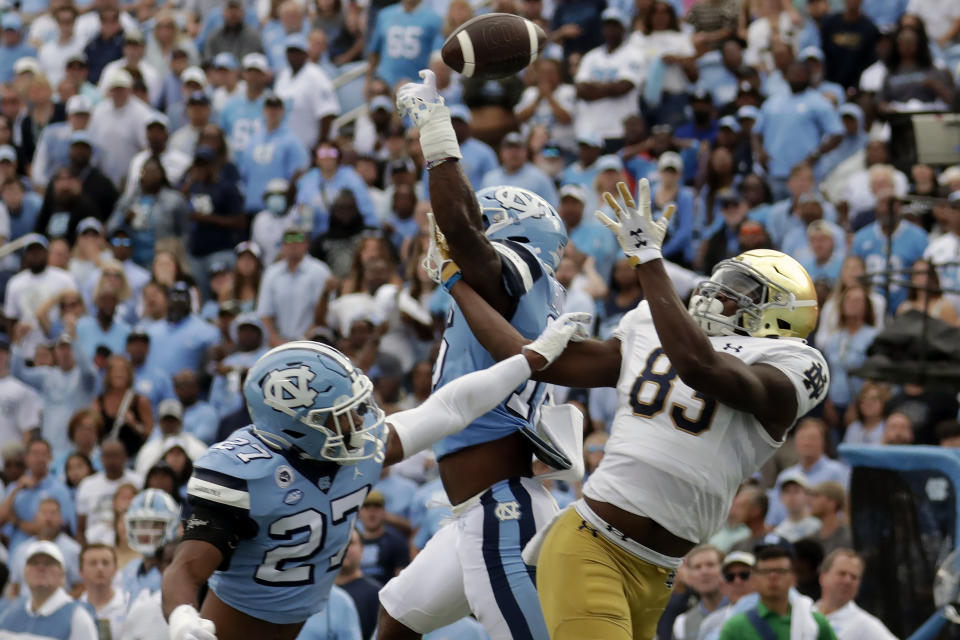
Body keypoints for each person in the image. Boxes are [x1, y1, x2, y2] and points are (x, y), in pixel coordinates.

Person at [434, 174, 829, 639]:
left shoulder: (794, 361)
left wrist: (649, 259)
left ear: (781, 312)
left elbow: (702, 369)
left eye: (740, 288)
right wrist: (455, 281)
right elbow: (532, 361)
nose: (717, 293)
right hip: (593, 546)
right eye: (722, 282)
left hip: (658, 572)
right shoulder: (655, 321)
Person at [161, 319, 586, 640]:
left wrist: (528, 361)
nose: (361, 421)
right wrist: (181, 617)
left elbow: (449, 409)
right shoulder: (242, 472)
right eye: (342, 415)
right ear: (297, 426)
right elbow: (186, 569)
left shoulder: (354, 450)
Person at [381, 70, 575, 640]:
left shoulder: (514, 270)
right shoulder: (537, 294)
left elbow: (463, 228)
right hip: (479, 508)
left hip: (501, 510)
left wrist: (435, 131)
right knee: (396, 617)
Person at [719, 546, 836, 639]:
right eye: (766, 571)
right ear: (754, 579)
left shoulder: (814, 622)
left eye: (780, 571)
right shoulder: (735, 628)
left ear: (794, 578)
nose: (773, 577)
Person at [574, 8, 645, 152]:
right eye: (607, 25)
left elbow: (622, 88)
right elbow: (581, 90)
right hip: (592, 130)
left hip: (620, 129)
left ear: (623, 27)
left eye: (615, 25)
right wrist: (609, 88)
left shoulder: (634, 54)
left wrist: (594, 87)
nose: (610, 29)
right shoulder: (591, 57)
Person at [0, 540, 98, 640]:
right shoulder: (7, 611)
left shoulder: (77, 617)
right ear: (25, 572)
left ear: (62, 574)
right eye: (33, 563)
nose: (40, 568)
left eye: (49, 563)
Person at [257, 227, 333, 345]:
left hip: (313, 343)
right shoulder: (271, 273)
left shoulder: (320, 271)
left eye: (298, 239)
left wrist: (303, 341)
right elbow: (265, 315)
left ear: (307, 244)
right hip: (279, 345)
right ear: (282, 245)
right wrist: (277, 342)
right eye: (288, 239)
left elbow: (324, 315)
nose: (293, 244)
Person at [0, 438, 76, 552]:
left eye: (44, 454)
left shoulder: (60, 490)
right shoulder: (14, 487)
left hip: (49, 551)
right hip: (16, 551)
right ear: (26, 458)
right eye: (35, 453)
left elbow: (56, 530)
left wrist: (16, 521)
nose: (39, 458)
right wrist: (17, 489)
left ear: (51, 458)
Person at [117, 488, 181, 603]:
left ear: (172, 525)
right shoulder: (130, 569)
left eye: (155, 524)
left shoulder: (178, 573)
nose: (146, 531)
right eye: (140, 524)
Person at [814, 549, 897, 639]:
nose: (847, 581)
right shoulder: (806, 612)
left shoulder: (865, 625)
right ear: (822, 577)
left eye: (854, 577)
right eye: (842, 574)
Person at [76, 438, 141, 545]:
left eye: (116, 455)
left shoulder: (138, 482)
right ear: (101, 458)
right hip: (95, 544)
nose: (111, 460)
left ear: (125, 457)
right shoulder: (87, 485)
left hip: (129, 545)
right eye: (107, 456)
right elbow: (80, 528)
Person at [698, 551, 757, 640]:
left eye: (744, 575)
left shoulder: (775, 615)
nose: (737, 581)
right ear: (722, 586)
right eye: (730, 577)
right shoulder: (710, 624)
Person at [335, 527, 381, 640]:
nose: (344, 548)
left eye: (350, 543)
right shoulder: (320, 594)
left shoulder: (377, 595)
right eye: (339, 543)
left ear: (362, 549)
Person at [673, 545, 727, 640]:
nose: (704, 571)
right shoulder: (683, 623)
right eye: (697, 567)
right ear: (689, 575)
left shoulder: (743, 609)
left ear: (725, 569)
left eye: (710, 565)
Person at [357, 489, 409, 586]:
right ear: (359, 512)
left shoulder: (397, 542)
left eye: (377, 506)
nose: (371, 512)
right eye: (367, 507)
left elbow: (402, 580)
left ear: (384, 512)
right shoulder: (351, 542)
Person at [78, 543, 129, 640]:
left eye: (105, 563)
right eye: (93, 563)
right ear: (81, 572)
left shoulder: (129, 604)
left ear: (115, 570)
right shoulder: (75, 610)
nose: (100, 568)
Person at [772, 472, 821, 542]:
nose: (791, 496)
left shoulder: (818, 526)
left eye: (796, 491)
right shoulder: (779, 532)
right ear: (781, 497)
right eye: (787, 491)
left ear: (807, 495)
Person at [806, 482, 852, 556]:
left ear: (832, 502)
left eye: (816, 496)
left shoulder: (849, 537)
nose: (810, 501)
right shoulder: (811, 539)